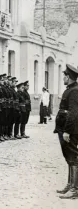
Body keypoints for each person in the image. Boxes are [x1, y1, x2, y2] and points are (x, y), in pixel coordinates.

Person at [55, 64, 78, 200]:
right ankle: (70, 184)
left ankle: (75, 188)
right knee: (69, 157)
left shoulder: (74, 91)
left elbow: (73, 113)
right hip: (64, 128)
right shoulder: (70, 89)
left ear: (68, 77)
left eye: (64, 75)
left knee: (73, 157)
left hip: (70, 129)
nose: (63, 78)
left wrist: (67, 131)